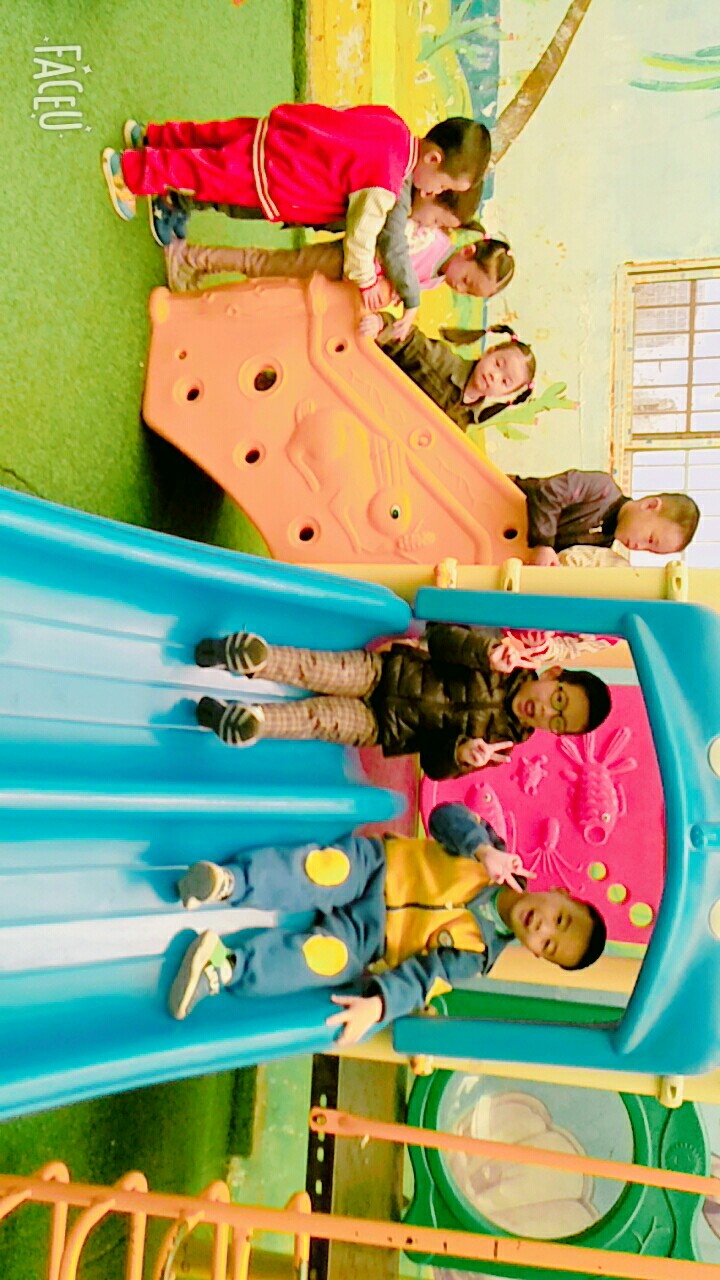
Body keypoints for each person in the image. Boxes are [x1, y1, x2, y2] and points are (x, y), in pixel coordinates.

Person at [167, 801, 608, 1041]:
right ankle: (230, 882)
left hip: (369, 938)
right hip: (375, 867)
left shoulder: (475, 956)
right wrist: (482, 849)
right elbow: (444, 817)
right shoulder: (489, 853)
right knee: (326, 870)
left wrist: (379, 1006)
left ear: (535, 954)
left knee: (327, 961)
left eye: (548, 944)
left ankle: (224, 966)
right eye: (560, 920)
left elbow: (422, 980)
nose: (542, 928)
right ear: (560, 893)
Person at [101, 108, 490, 335]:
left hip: (283, 132)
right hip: (283, 177)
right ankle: (129, 172)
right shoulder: (386, 183)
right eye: (442, 186)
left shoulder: (394, 124)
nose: (433, 192)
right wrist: (366, 282)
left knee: (214, 138)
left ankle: (152, 136)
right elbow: (360, 240)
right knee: (208, 173)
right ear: (433, 160)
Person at [192, 624, 612, 778]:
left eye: (557, 723)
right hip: (387, 672)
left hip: (383, 727)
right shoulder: (502, 658)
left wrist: (461, 754)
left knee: (320, 719)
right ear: (552, 674)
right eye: (558, 699)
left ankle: (250, 721)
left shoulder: (501, 744)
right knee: (317, 668)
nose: (545, 712)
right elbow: (442, 638)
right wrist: (482, 653)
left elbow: (433, 766)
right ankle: (256, 658)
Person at [163, 190, 514, 304]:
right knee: (267, 264)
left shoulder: (437, 277)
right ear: (468, 252)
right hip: (345, 259)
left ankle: (200, 263)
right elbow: (385, 243)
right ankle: (190, 257)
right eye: (467, 281)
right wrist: (383, 282)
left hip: (347, 279)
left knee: (271, 277)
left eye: (468, 292)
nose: (460, 287)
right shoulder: (431, 240)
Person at [360, 315, 535, 431]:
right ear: (489, 352)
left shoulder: (467, 419)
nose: (494, 376)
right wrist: (380, 324)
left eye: (505, 382)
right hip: (367, 396)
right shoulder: (443, 361)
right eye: (498, 364)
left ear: (505, 394)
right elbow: (407, 338)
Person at [514, 471, 700, 565]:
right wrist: (543, 544)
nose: (639, 547)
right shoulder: (602, 488)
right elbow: (547, 492)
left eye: (649, 550)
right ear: (650, 505)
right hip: (504, 502)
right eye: (650, 539)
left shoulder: (601, 547)